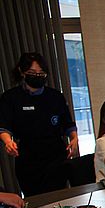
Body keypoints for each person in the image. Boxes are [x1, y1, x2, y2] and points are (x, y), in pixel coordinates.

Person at [0, 52, 79, 196]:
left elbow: (68, 124)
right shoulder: (11, 98)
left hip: (55, 155)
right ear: (22, 72)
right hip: (28, 157)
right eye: (32, 72)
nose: (37, 76)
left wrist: (74, 138)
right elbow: (4, 126)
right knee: (35, 198)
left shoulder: (55, 96)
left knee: (58, 196)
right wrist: (7, 142)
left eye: (41, 73)